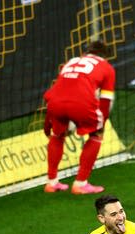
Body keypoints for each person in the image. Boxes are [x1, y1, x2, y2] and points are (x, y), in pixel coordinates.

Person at [43, 40, 115, 195]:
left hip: (55, 103)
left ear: (85, 53)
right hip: (81, 104)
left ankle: (51, 182)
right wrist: (102, 122)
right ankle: (80, 183)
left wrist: (47, 120)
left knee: (57, 134)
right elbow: (106, 100)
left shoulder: (71, 61)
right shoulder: (107, 68)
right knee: (96, 135)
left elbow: (58, 89)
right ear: (106, 57)